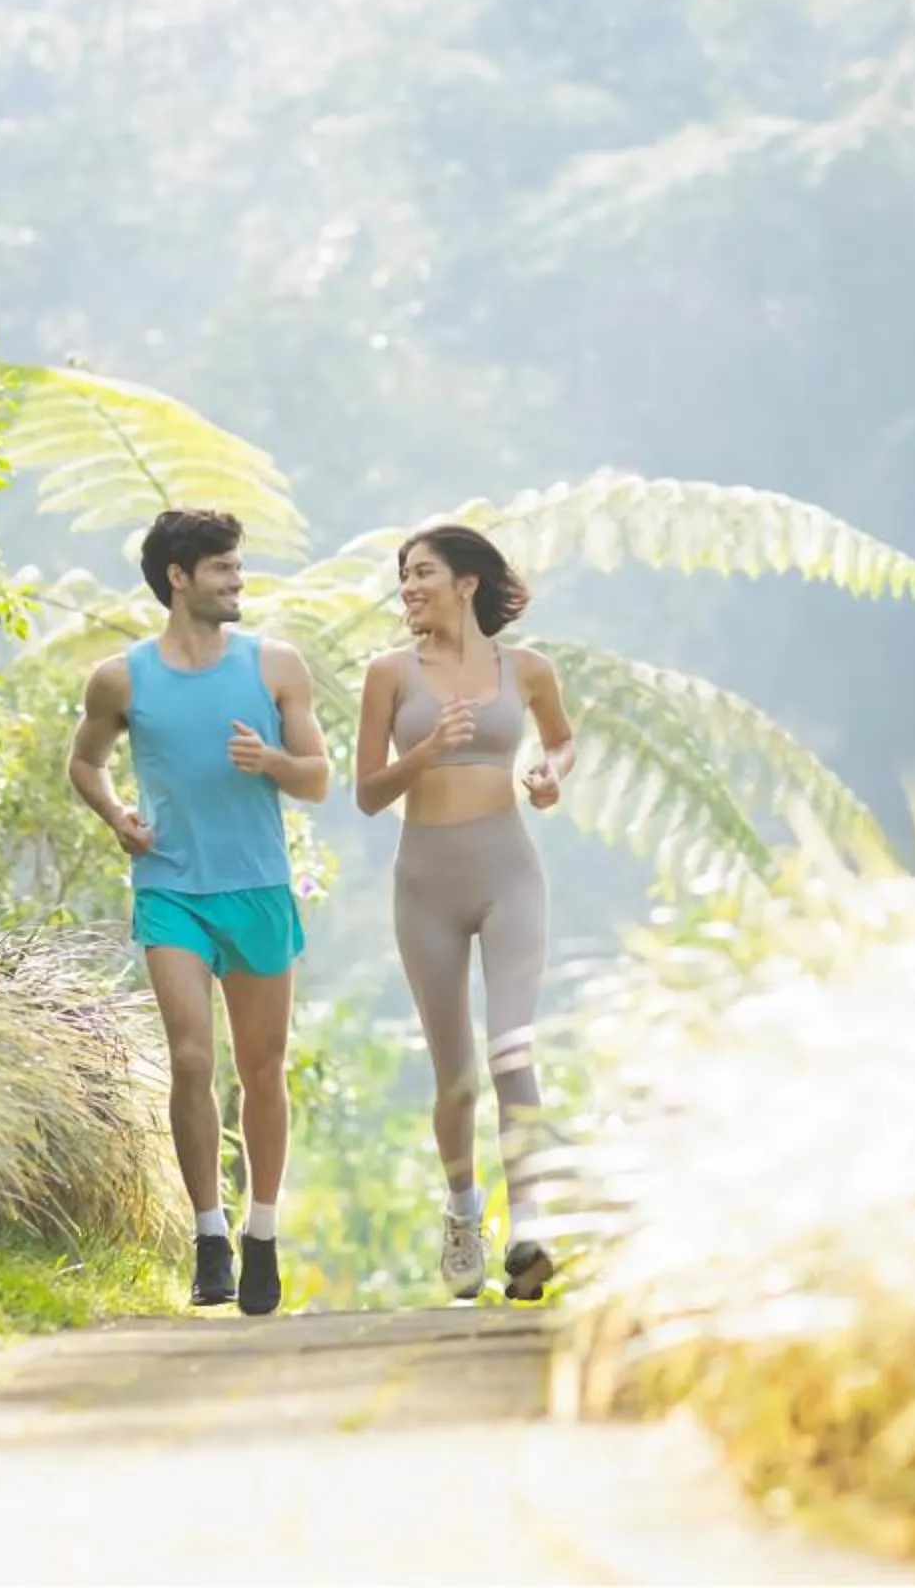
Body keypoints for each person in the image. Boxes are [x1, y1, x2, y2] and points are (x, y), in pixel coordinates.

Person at [68, 507, 330, 1315]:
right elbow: (86, 762)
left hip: (257, 888)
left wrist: (273, 761)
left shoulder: (275, 664)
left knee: (261, 1071)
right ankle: (209, 1237)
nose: (238, 579)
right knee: (190, 1059)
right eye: (221, 567)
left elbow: (317, 776)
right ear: (178, 578)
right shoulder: (122, 678)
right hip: (172, 887)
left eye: (237, 565)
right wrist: (119, 819)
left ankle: (261, 1233)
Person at [354, 523, 576, 1302]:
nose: (409, 587)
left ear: (467, 583)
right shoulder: (388, 675)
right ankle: (462, 1215)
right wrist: (424, 753)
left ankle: (533, 1225)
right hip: (424, 885)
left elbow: (560, 743)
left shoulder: (530, 669)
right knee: (455, 1081)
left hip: (510, 873)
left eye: (422, 573)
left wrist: (548, 776)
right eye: (403, 576)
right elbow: (369, 794)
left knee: (512, 1051)